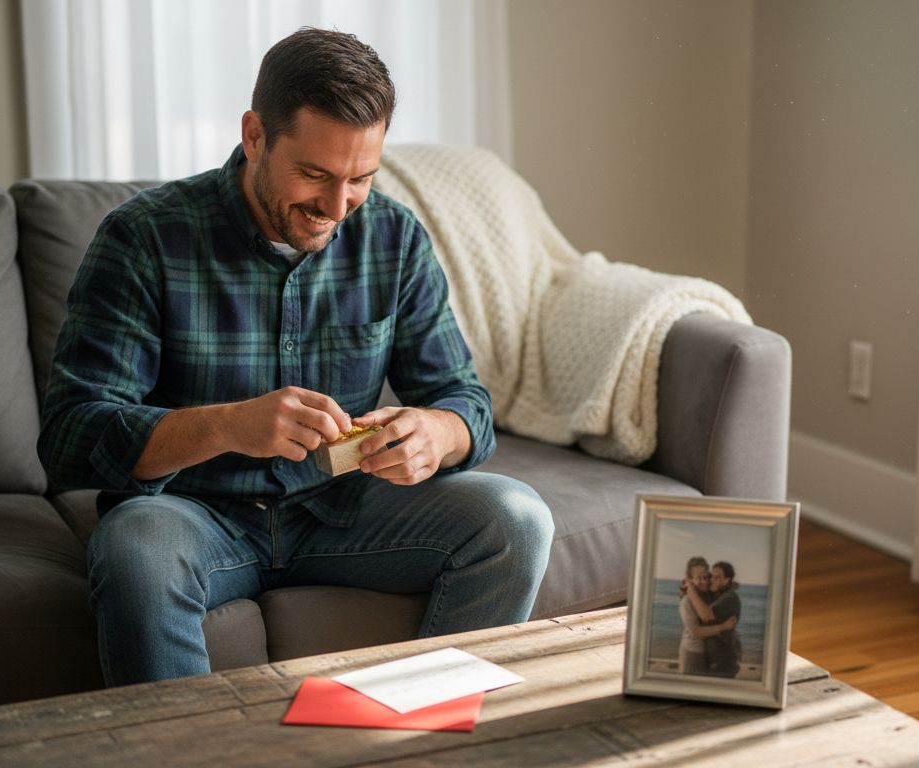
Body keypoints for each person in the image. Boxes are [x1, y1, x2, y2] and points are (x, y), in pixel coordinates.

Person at [37, 27, 555, 687]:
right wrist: (226, 425)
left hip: (346, 511)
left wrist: (437, 434)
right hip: (195, 515)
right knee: (135, 549)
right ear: (255, 135)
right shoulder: (143, 239)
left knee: (517, 520)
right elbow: (70, 437)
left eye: (360, 178)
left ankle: (415, 739)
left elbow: (467, 404)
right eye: (314, 174)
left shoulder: (393, 239)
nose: (336, 208)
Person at [680, 557, 738, 676]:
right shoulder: (687, 601)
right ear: (691, 580)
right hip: (693, 652)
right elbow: (696, 631)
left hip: (709, 654)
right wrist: (723, 627)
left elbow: (724, 589)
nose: (704, 581)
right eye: (698, 578)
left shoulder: (708, 594)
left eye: (706, 577)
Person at [704, 562, 743, 677]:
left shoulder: (729, 598)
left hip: (723, 656)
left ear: (727, 580)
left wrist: (691, 593)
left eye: (717, 577)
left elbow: (704, 616)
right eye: (711, 576)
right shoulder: (720, 593)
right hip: (718, 653)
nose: (712, 580)